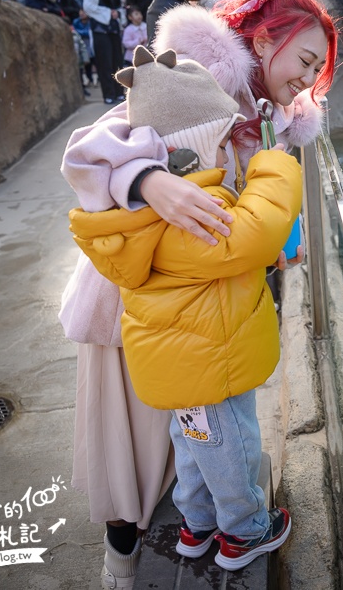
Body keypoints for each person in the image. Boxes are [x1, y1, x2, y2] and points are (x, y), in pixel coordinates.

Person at [59, 0, 337, 587]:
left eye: (319, 71)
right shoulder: (197, 77)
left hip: (189, 295)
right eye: (305, 60)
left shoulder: (262, 109)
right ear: (267, 39)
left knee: (185, 431)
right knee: (144, 448)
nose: (309, 79)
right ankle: (180, 548)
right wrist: (148, 179)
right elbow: (88, 148)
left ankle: (191, 530)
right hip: (138, 291)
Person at [70, 44, 301, 572]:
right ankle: (244, 533)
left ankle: (196, 527)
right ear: (192, 152)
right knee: (230, 446)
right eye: (222, 146)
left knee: (193, 443)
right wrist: (274, 168)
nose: (228, 158)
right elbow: (256, 236)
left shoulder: (140, 220)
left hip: (180, 366)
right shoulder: (192, 215)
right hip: (210, 361)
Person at [84, 0, 126, 104]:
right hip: (100, 31)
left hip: (114, 30)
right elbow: (89, 7)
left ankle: (119, 92)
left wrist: (117, 13)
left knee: (117, 61)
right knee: (105, 63)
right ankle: (108, 94)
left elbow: (120, 8)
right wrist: (109, 13)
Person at [73, 8, 96, 88]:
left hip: (90, 44)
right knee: (85, 64)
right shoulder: (76, 22)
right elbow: (75, 31)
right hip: (80, 45)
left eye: (84, 12)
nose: (82, 13)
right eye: (81, 11)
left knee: (93, 62)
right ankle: (88, 80)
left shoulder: (91, 22)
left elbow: (89, 32)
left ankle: (93, 80)